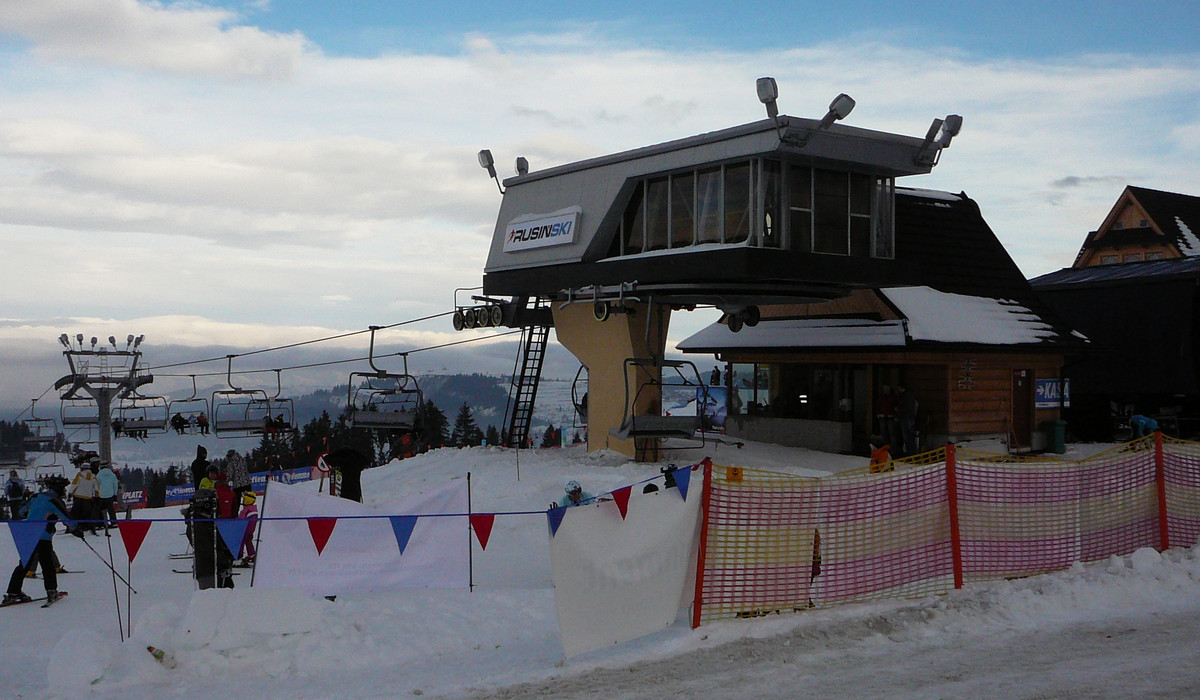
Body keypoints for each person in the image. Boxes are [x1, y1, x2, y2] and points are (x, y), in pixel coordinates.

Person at [4, 477, 81, 606]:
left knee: (24, 564)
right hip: (43, 536)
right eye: (63, 488)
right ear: (59, 488)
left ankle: (13, 592)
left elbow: (21, 511)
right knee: (47, 563)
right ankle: (51, 591)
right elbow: (67, 518)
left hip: (28, 534)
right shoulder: (54, 500)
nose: (64, 491)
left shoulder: (36, 496)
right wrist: (75, 529)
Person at [68, 460, 99, 532]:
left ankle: (73, 527)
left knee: (75, 513)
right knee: (87, 513)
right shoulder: (93, 476)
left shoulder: (79, 475)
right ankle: (86, 526)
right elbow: (96, 488)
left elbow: (74, 484)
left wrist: (70, 493)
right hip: (88, 498)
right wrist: (96, 496)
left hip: (78, 496)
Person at [95, 461, 121, 529]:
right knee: (111, 509)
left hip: (101, 495)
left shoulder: (99, 475)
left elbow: (96, 485)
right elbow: (115, 485)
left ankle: (100, 524)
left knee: (99, 509)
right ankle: (114, 522)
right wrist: (115, 494)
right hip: (110, 494)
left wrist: (96, 494)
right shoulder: (112, 474)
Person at [236, 491, 258, 567]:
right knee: (248, 541)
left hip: (244, 529)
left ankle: (239, 555)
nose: (243, 501)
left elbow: (241, 519)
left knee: (240, 541)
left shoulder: (246, 510)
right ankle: (252, 554)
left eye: (244, 499)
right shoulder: (254, 509)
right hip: (251, 530)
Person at [875, 384, 899, 451]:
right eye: (884, 388)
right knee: (884, 433)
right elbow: (878, 405)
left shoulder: (893, 397)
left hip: (891, 417)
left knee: (892, 434)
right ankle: (885, 448)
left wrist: (896, 416)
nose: (886, 390)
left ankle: (893, 449)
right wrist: (878, 413)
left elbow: (896, 407)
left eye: (887, 388)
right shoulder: (881, 396)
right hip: (882, 416)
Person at [897, 384, 919, 457]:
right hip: (910, 418)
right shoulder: (910, 396)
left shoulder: (905, 397)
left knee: (907, 436)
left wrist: (899, 411)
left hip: (906, 418)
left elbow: (905, 408)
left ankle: (911, 453)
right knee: (909, 436)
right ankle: (912, 452)